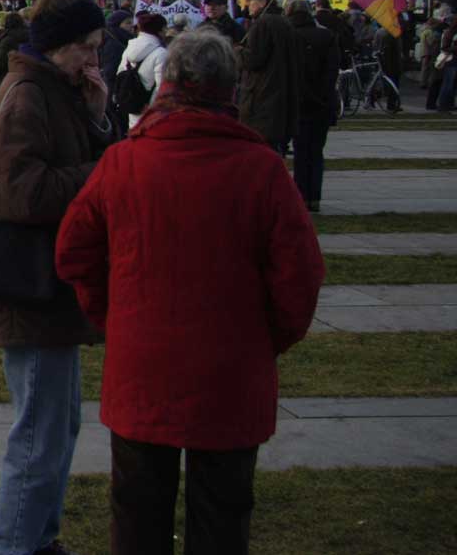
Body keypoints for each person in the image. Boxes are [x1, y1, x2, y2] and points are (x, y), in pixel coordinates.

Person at [56, 30, 324, 555]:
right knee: (221, 515)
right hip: (231, 368)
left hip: (144, 364)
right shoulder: (263, 170)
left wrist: (115, 319)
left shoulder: (125, 164)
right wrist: (265, 340)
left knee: (137, 514)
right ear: (230, 91)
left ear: (167, 84)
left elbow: (74, 253)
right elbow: (300, 277)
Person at [0, 0, 114, 555]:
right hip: (28, 290)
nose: (94, 59)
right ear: (57, 45)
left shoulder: (57, 88)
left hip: (50, 288)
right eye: (86, 46)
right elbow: (18, 195)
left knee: (59, 429)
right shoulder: (28, 93)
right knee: (37, 436)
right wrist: (102, 172)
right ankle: (14, 546)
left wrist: (100, 120)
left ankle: (39, 539)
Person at [288, 0, 339, 212]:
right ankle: (314, 197)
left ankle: (301, 195)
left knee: (300, 152)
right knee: (316, 151)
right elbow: (333, 70)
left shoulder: (290, 37)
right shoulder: (327, 36)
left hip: (298, 101)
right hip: (322, 102)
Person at [236, 0, 300, 154]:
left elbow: (253, 60)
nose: (247, 4)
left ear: (263, 2)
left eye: (251, 0)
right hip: (278, 92)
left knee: (261, 150)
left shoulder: (263, 24)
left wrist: (238, 51)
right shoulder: (283, 22)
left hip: (262, 95)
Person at [118, 13, 169, 128]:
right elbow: (163, 86)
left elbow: (120, 74)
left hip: (132, 106)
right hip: (152, 112)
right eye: (165, 28)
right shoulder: (161, 53)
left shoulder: (129, 48)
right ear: (160, 30)